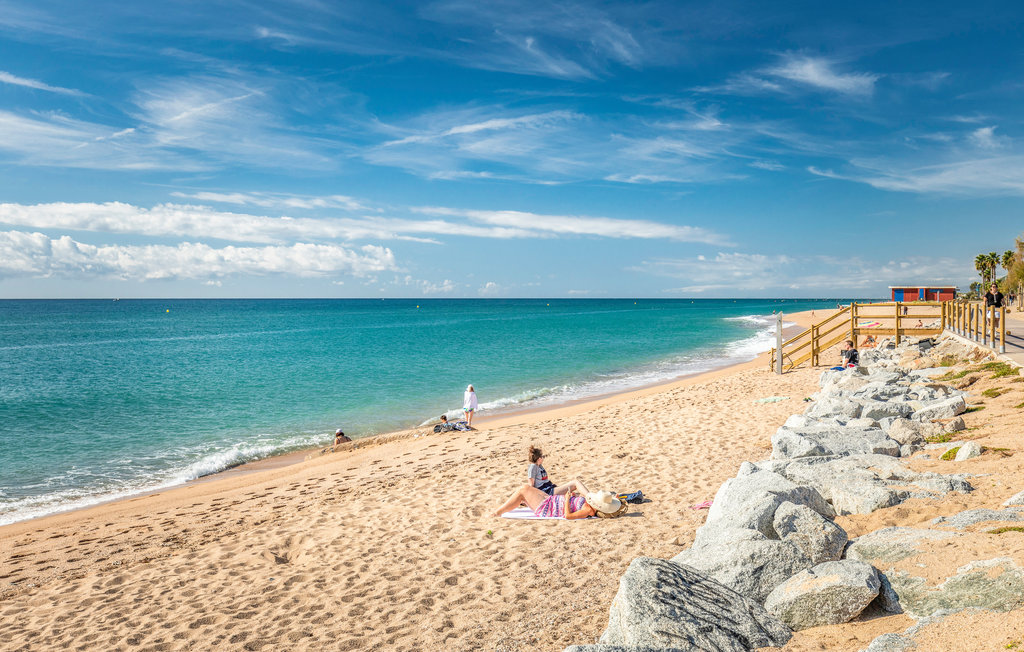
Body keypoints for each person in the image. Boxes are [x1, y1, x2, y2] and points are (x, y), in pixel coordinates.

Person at [492, 478, 627, 519]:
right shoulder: (589, 504)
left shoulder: (588, 510)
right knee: (524, 493)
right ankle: (500, 510)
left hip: (548, 507)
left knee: (523, 490)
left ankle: (497, 513)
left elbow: (568, 516)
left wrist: (567, 499)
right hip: (552, 500)